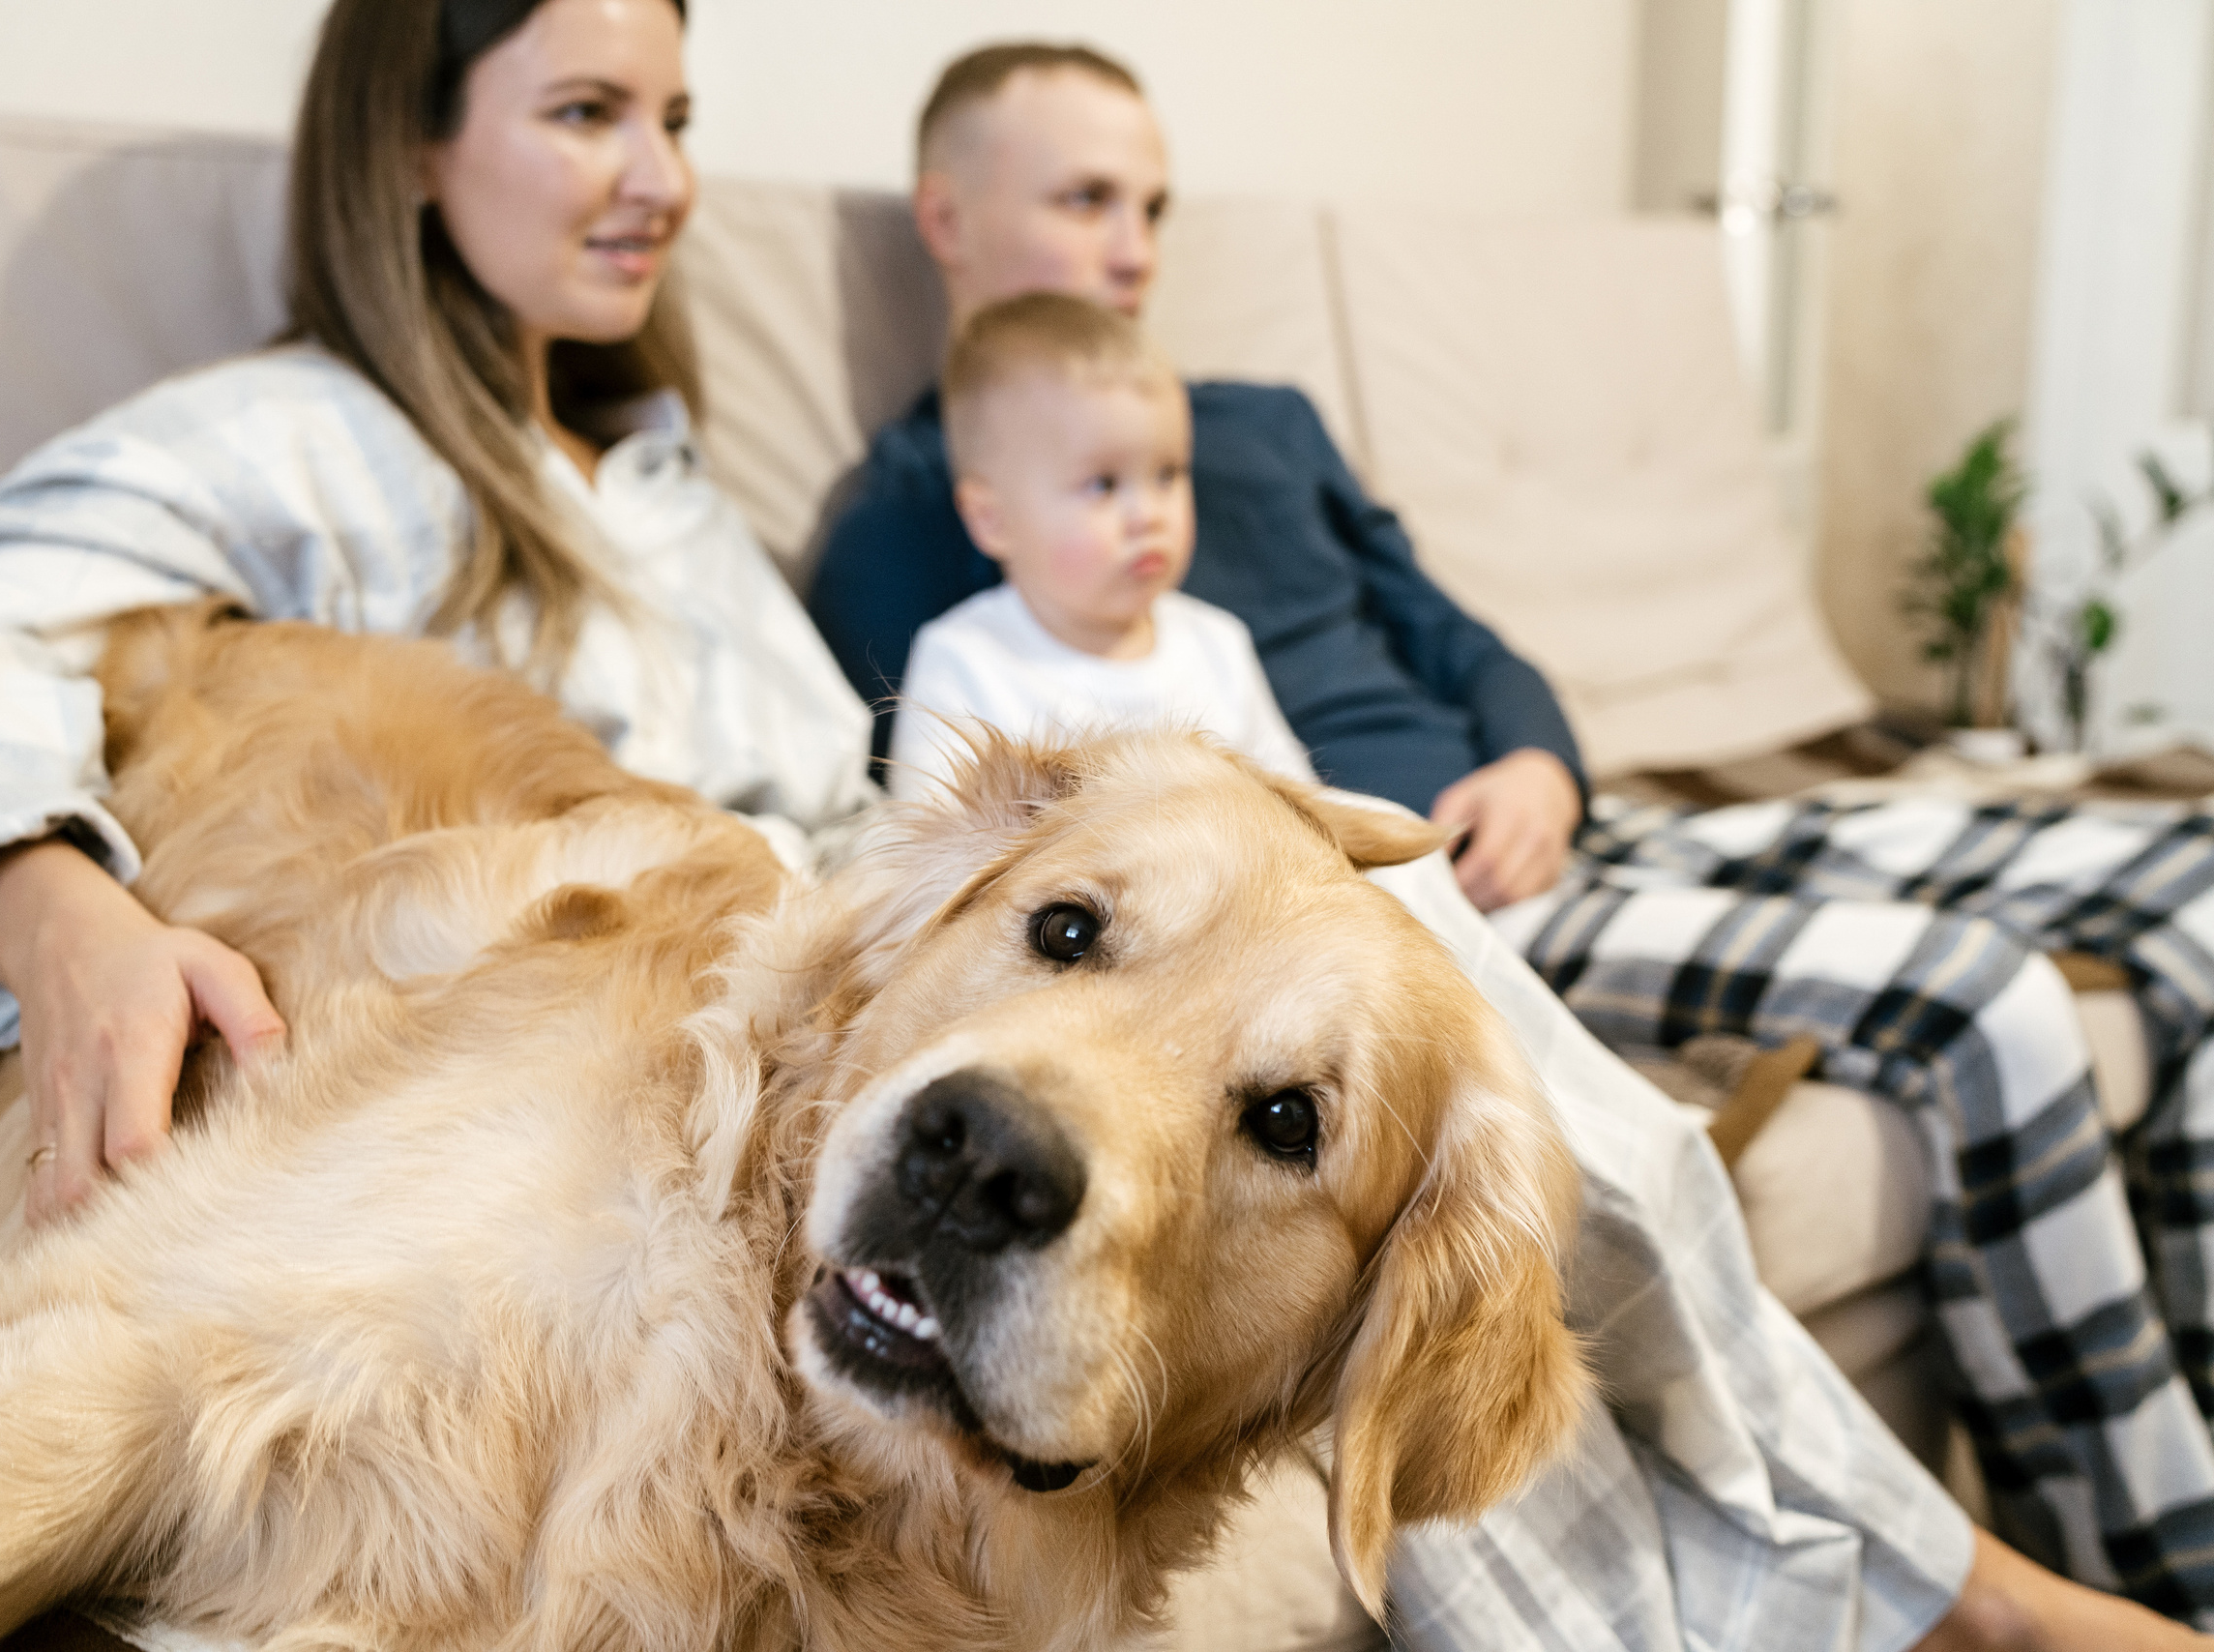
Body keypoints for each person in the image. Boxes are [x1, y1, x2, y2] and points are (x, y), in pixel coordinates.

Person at [805, 39, 2214, 1648]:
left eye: (1152, 204)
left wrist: (1539, 750)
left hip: (1556, 816)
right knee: (1987, 997)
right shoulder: (923, 507)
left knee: (2187, 884)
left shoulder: (1257, 421)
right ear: (946, 216)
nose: (1134, 243)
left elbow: (1456, 629)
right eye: (1085, 199)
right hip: (1403, 921)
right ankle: (2109, 1585)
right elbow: (985, 843)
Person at [0, 0, 874, 1230]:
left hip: (827, 1054)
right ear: (408, 151)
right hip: (542, 1123)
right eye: (587, 114)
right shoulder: (302, 437)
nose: (665, 181)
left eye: (676, 120)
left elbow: (851, 812)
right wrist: (50, 917)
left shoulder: (672, 490)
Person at [885, 290, 1312, 797]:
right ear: (992, 520)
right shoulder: (966, 662)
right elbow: (926, 844)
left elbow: (1299, 806)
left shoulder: (1218, 646)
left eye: (1168, 474)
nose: (1148, 515)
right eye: (1103, 485)